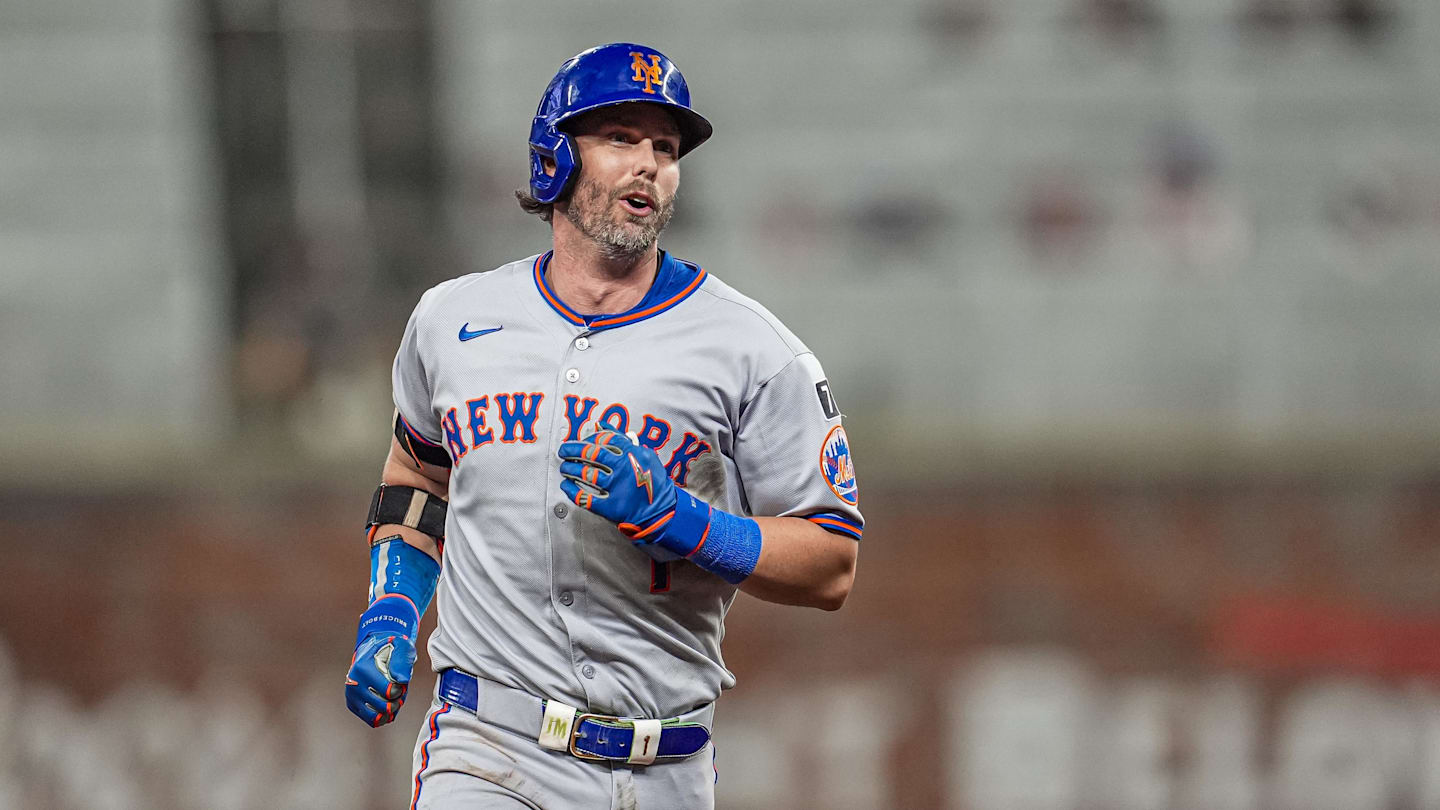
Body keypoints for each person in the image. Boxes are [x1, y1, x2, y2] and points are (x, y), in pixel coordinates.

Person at [344, 42, 864, 809]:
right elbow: (418, 477)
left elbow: (832, 563)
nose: (649, 163)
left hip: (666, 765)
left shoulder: (753, 348)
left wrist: (679, 518)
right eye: (620, 138)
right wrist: (390, 612)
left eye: (664, 147)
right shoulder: (452, 320)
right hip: (489, 746)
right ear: (555, 157)